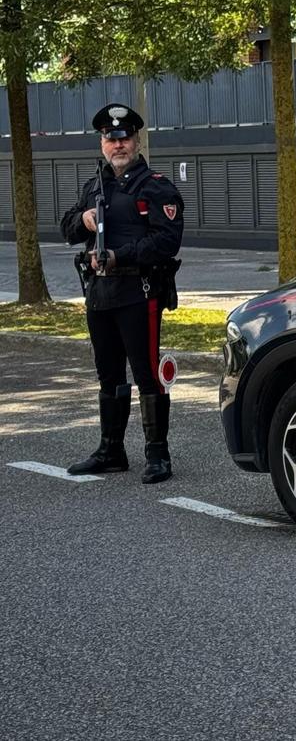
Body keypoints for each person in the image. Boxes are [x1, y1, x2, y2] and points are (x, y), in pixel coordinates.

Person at [61, 103, 184, 484]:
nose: (118, 145)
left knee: (147, 375)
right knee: (108, 375)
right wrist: (82, 220)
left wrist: (119, 255)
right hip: (100, 293)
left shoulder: (155, 186)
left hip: (138, 291)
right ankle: (111, 449)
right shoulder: (94, 187)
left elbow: (166, 241)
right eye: (111, 139)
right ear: (102, 143)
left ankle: (157, 455)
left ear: (136, 140)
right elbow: (66, 229)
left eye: (125, 138)